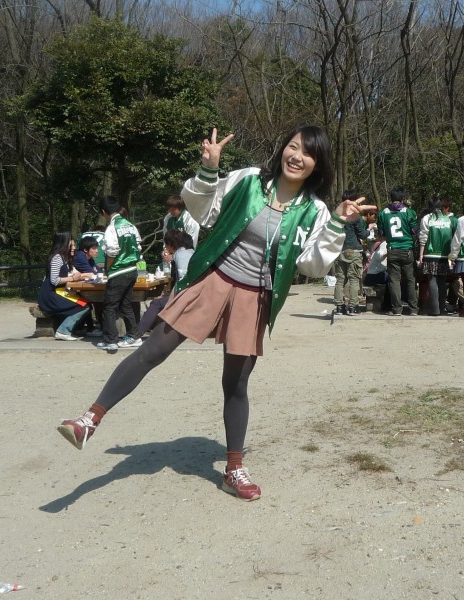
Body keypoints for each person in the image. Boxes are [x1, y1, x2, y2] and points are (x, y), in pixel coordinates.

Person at [57, 125, 373, 502]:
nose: (297, 156)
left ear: (317, 165)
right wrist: (209, 170)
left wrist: (337, 223)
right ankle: (89, 420)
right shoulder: (249, 180)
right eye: (293, 146)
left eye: (308, 153)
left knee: (235, 383)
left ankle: (233, 468)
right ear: (282, 149)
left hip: (255, 297)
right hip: (214, 278)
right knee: (153, 349)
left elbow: (312, 265)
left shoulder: (314, 211)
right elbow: (203, 212)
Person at [97, 196, 143, 351]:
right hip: (132, 270)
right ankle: (134, 336)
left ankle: (111, 340)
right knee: (126, 305)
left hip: (118, 271)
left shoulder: (112, 228)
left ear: (104, 212)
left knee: (110, 306)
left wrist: (108, 269)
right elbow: (138, 246)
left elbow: (112, 251)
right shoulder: (130, 225)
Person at [133, 229, 195, 339]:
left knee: (156, 303)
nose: (166, 248)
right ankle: (150, 329)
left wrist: (173, 295)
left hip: (187, 295)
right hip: (192, 292)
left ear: (171, 244)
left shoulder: (180, 255)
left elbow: (184, 279)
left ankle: (136, 335)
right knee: (160, 301)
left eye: (166, 245)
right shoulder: (189, 252)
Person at [37, 232, 93, 340]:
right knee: (83, 306)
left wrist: (82, 275)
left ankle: (78, 328)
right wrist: (73, 279)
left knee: (86, 303)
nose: (74, 248)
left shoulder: (64, 258)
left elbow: (70, 273)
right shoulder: (57, 258)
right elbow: (54, 280)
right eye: (71, 245)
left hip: (59, 292)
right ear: (63, 243)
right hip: (50, 295)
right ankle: (63, 331)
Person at [376, 187, 418, 315]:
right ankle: (413, 309)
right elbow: (414, 231)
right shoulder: (409, 212)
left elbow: (381, 233)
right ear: (403, 199)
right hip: (407, 249)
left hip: (392, 249)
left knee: (394, 280)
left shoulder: (383, 213)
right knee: (410, 280)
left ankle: (397, 309)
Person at [332, 189, 371, 316]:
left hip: (340, 250)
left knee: (340, 279)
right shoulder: (356, 217)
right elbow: (362, 234)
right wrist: (369, 229)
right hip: (354, 250)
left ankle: (339, 307)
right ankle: (353, 307)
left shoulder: (337, 215)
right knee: (354, 279)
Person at [417, 198, 457, 316]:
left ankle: (434, 309)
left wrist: (421, 255)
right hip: (444, 255)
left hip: (430, 253)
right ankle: (442, 308)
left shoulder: (427, 218)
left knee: (432, 280)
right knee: (442, 281)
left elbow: (423, 237)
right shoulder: (448, 219)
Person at [74, 236, 104, 336]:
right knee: (89, 302)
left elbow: (98, 271)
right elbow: (92, 273)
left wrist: (95, 272)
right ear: (85, 250)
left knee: (99, 300)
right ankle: (90, 329)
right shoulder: (80, 256)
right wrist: (94, 272)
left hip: (81, 288)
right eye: (94, 248)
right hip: (71, 289)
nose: (97, 251)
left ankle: (100, 325)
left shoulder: (89, 258)